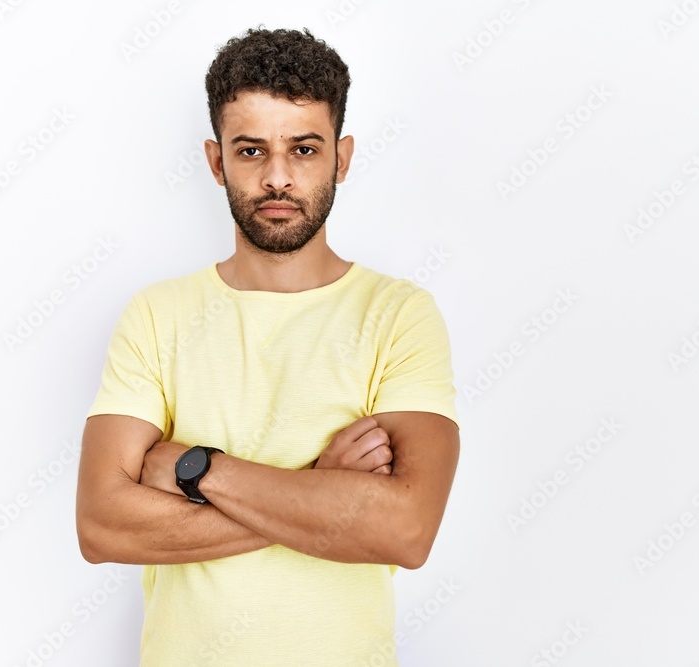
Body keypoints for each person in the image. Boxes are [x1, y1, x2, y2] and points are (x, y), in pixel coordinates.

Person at [75, 26, 460, 667]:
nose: (277, 177)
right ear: (215, 160)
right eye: (251, 151)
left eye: (304, 149)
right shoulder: (157, 315)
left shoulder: (398, 315)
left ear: (341, 157)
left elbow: (406, 529)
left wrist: (198, 471)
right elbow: (102, 525)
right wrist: (323, 492)